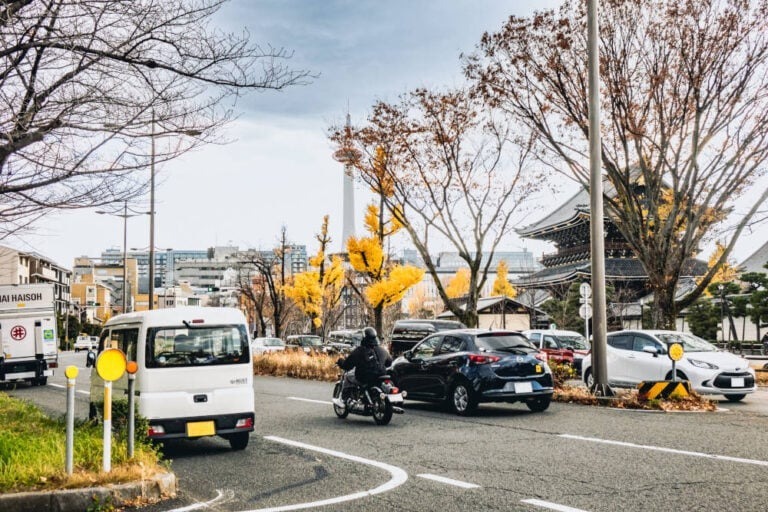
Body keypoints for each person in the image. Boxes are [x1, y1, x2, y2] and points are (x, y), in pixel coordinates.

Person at [337, 326, 392, 399]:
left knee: (348, 376)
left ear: (364, 338)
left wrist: (341, 362)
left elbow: (347, 365)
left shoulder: (360, 350)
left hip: (364, 377)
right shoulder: (382, 350)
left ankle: (344, 399)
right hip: (381, 376)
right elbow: (389, 362)